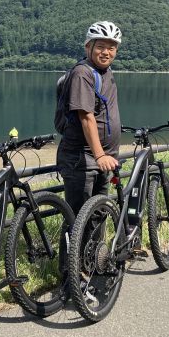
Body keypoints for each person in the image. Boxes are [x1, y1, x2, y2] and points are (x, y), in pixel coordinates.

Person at [56, 21, 123, 217]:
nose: (106, 52)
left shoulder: (106, 72)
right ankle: (71, 250)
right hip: (83, 159)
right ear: (88, 46)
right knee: (78, 220)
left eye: (111, 48)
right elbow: (86, 117)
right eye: (100, 46)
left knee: (98, 215)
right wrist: (100, 155)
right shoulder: (82, 73)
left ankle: (96, 249)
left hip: (104, 158)